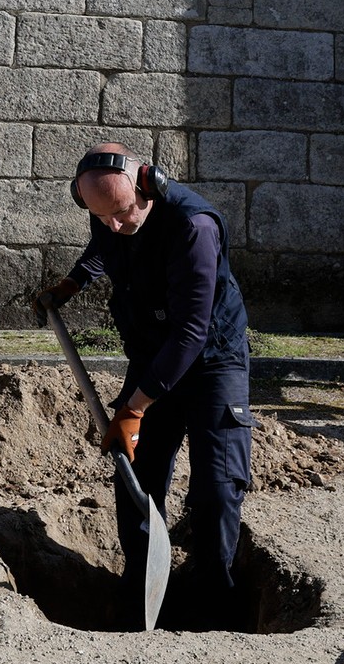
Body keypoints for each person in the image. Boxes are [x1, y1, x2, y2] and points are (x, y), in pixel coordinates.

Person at [34, 143, 255, 628]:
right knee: (137, 476)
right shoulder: (110, 214)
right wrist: (73, 283)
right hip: (152, 353)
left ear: (148, 184)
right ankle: (138, 589)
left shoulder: (194, 227)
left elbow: (190, 334)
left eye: (122, 211)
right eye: (101, 214)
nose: (114, 223)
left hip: (211, 360)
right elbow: (105, 244)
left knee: (216, 490)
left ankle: (212, 604)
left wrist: (133, 408)